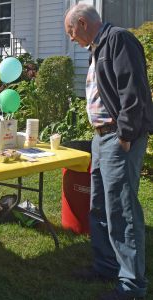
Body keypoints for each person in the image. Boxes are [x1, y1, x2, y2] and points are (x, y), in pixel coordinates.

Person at [64, 4, 152, 300]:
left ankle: (132, 286)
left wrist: (125, 135)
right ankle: (106, 266)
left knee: (122, 210)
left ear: (82, 23)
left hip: (118, 137)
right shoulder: (98, 46)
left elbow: (134, 91)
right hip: (101, 138)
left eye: (70, 31)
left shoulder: (118, 39)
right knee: (99, 205)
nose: (71, 37)